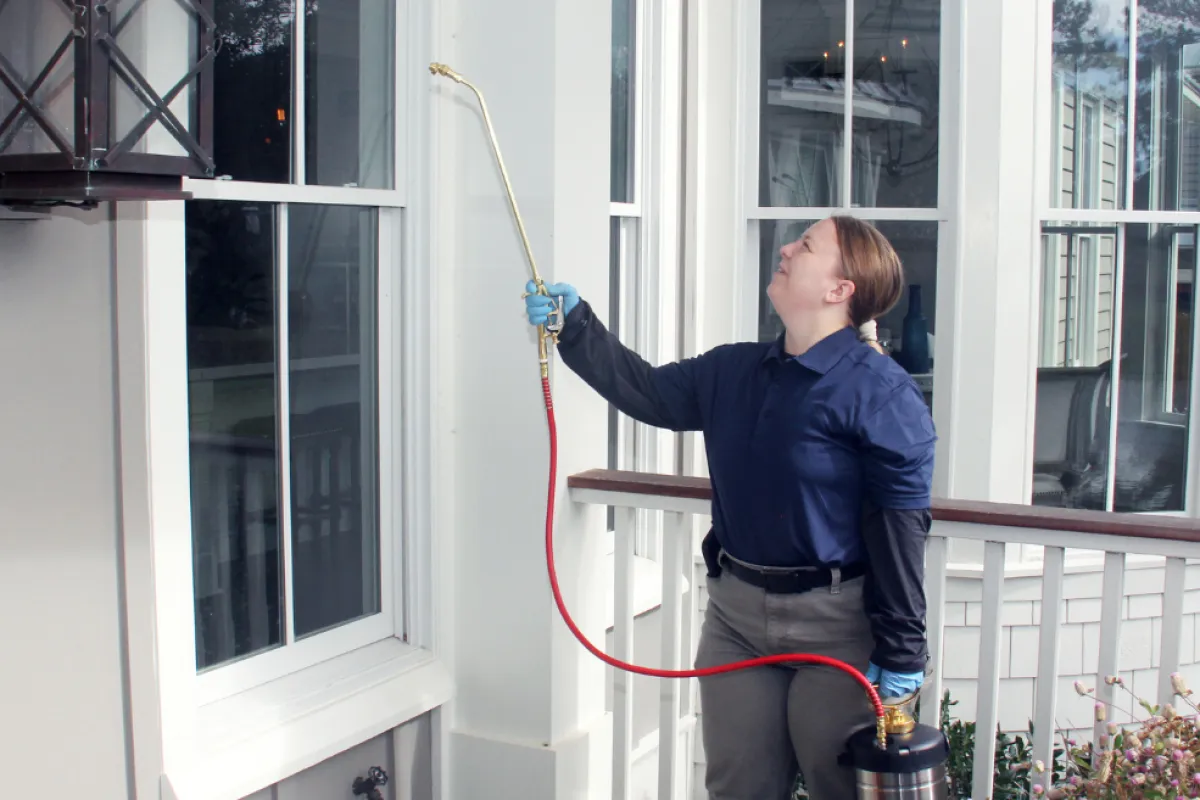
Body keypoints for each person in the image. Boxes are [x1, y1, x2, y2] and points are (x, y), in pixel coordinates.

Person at [523, 215, 936, 800]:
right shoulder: (734, 370)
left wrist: (901, 652)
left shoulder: (883, 395)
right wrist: (577, 326)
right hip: (736, 619)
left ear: (839, 290)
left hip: (838, 628)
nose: (786, 248)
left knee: (838, 785)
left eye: (807, 245)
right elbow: (648, 390)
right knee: (737, 786)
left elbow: (900, 532)